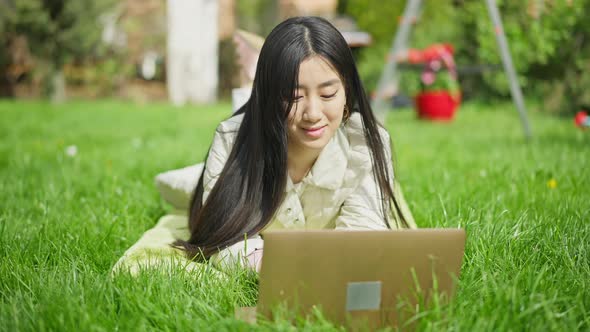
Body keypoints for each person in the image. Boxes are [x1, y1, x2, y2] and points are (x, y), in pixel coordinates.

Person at [172, 16, 417, 273]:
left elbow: (365, 235)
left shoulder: (364, 143)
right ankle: (250, 78)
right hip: (242, 148)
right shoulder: (229, 141)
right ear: (270, 96)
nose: (312, 113)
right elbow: (222, 237)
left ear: (347, 91)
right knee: (177, 184)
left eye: (328, 94)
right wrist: (271, 266)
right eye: (294, 97)